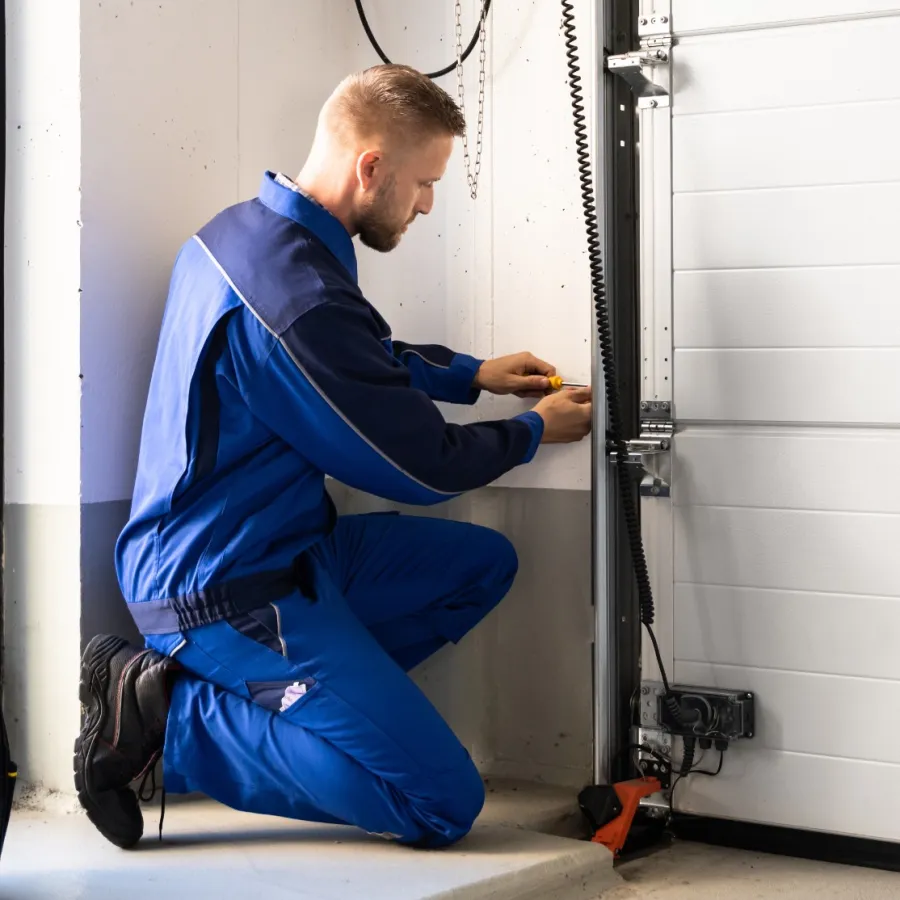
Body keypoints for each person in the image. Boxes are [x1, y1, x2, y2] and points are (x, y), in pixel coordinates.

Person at [74, 64, 592, 851]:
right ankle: (168, 722)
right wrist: (529, 432)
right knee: (440, 803)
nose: (425, 204)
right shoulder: (293, 298)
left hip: (291, 551)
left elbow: (354, 360)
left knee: (480, 565)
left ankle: (309, 714)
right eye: (423, 183)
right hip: (221, 590)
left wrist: (470, 375)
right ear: (371, 168)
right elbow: (421, 468)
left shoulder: (243, 235)